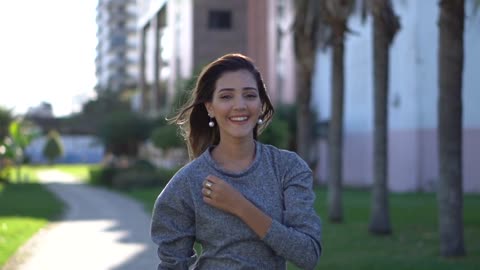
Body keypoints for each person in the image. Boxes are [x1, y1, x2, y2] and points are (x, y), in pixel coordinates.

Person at [150, 53, 322, 269]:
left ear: (260, 104)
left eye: (250, 95)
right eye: (226, 96)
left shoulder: (287, 168)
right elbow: (172, 264)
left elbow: (308, 254)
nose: (239, 105)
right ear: (209, 107)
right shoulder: (188, 181)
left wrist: (240, 206)